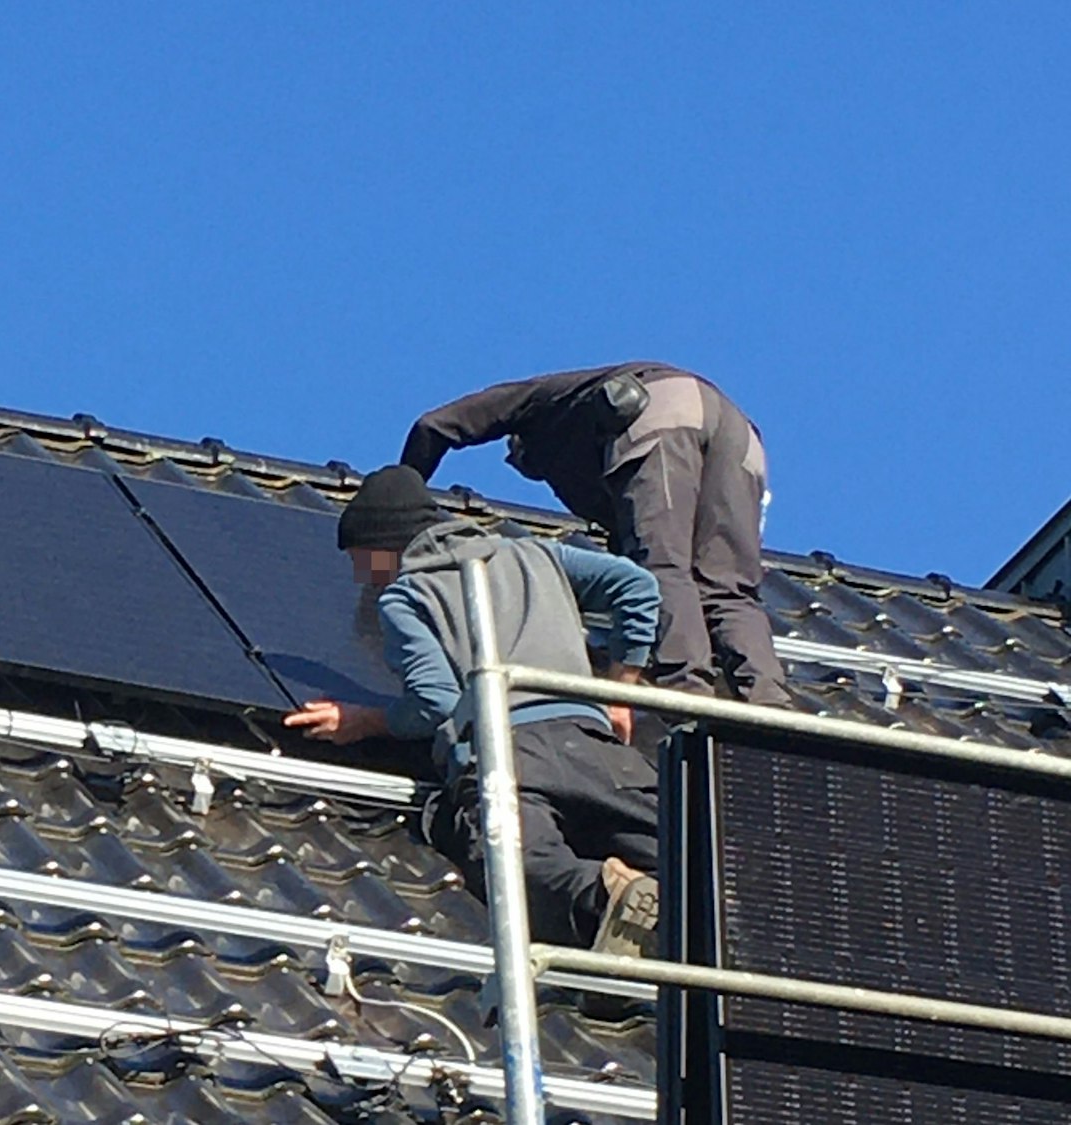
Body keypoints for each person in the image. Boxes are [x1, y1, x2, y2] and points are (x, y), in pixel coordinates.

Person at [284, 465, 661, 954]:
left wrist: (364, 721)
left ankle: (606, 893)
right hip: (597, 749)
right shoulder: (535, 554)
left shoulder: (406, 595)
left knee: (516, 862)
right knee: (687, 853)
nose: (361, 577)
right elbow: (637, 587)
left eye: (362, 560)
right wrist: (619, 689)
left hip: (509, 755)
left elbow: (435, 701)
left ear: (385, 545)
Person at [400, 362, 791, 707]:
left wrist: (402, 490)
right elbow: (627, 541)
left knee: (662, 563)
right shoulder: (586, 452)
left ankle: (686, 689)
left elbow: (435, 425)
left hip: (660, 412)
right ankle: (768, 698)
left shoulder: (537, 406)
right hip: (741, 436)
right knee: (728, 589)